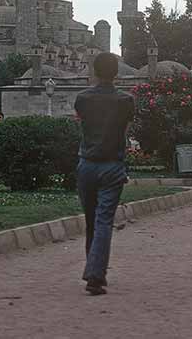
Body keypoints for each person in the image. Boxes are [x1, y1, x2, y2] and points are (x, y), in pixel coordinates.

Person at [74, 52, 135, 296]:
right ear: (116, 73)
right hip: (112, 165)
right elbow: (125, 131)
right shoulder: (126, 101)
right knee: (103, 220)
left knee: (92, 220)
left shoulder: (82, 98)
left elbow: (84, 125)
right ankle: (95, 274)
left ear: (95, 71)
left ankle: (93, 269)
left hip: (87, 165)